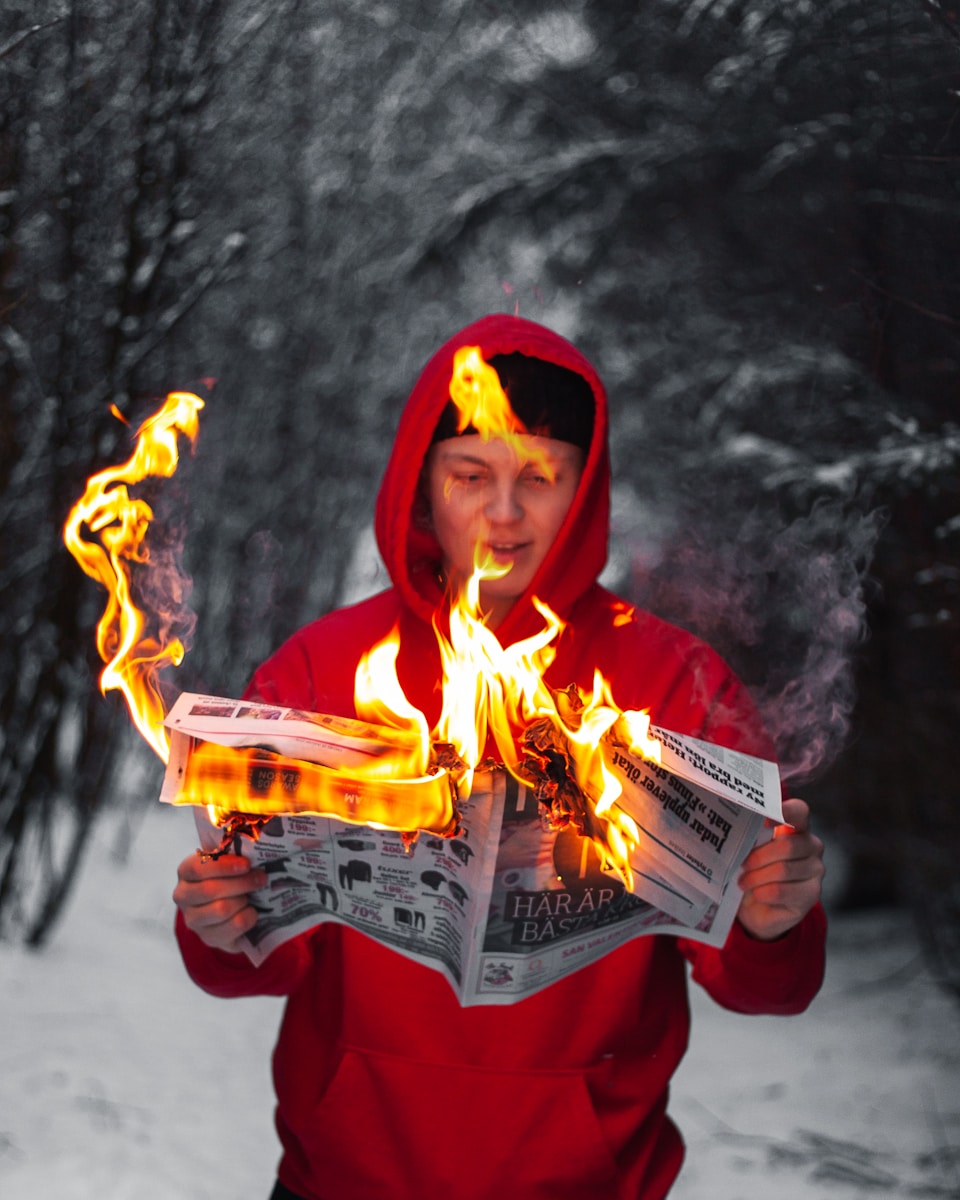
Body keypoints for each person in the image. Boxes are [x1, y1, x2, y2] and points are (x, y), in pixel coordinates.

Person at [173, 313, 826, 1200]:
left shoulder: (678, 683)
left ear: (583, 489)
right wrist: (218, 921)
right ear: (423, 487)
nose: (505, 513)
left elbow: (762, 988)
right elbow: (255, 957)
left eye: (540, 478)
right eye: (471, 474)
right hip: (343, 1180)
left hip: (588, 1183)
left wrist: (774, 922)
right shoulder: (321, 669)